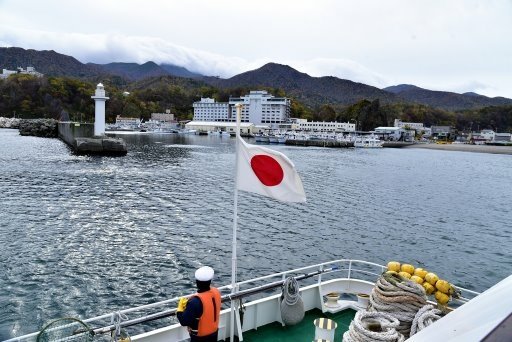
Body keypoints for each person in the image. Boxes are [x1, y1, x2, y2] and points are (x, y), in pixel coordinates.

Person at [177, 266, 221, 342]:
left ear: (196, 282)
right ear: (210, 281)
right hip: (214, 333)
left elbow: (184, 321)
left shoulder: (195, 301)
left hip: (200, 339)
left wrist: (179, 310)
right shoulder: (216, 292)